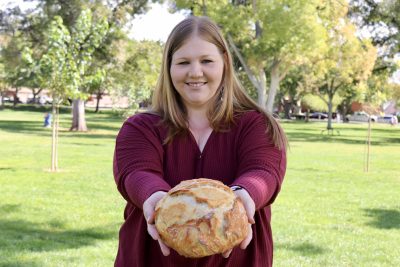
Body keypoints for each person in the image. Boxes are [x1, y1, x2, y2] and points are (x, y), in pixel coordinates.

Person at [113, 16, 287, 267]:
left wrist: (244, 197)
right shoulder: (140, 128)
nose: (195, 72)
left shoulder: (257, 125)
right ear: (169, 67)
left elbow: (263, 172)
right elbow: (136, 173)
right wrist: (157, 200)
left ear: (225, 63)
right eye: (184, 62)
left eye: (206, 61)